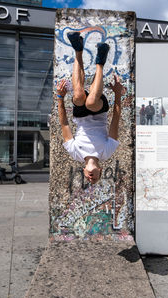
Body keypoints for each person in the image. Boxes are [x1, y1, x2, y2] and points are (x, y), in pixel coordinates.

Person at [56, 31, 125, 184]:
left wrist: (60, 97)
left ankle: (78, 50)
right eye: (94, 178)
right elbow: (115, 121)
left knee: (79, 96)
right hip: (100, 110)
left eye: (87, 178)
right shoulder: (106, 152)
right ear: (100, 170)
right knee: (91, 102)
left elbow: (64, 124)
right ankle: (100, 61)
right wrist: (118, 94)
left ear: (84, 170)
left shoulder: (75, 153)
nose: (90, 178)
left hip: (80, 115)